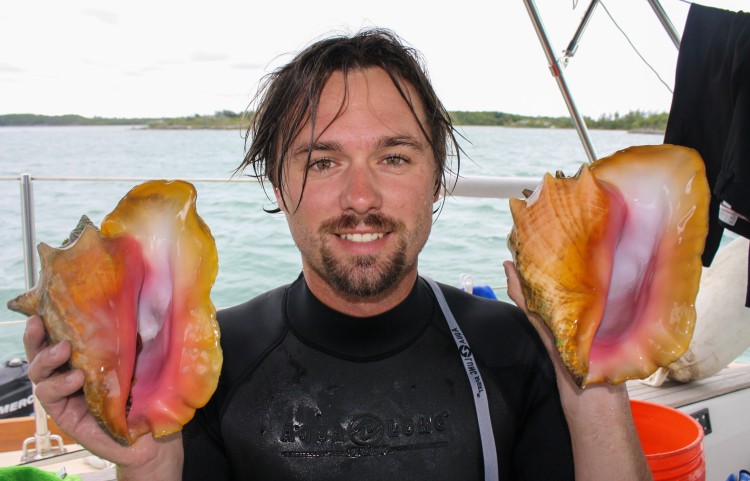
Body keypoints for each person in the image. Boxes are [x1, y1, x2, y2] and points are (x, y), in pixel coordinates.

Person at [24, 28, 652, 481]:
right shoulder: (204, 368)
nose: (361, 197)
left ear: (436, 178)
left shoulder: (517, 349)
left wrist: (596, 388)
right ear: (277, 184)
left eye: (394, 157)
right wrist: (147, 462)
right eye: (323, 161)